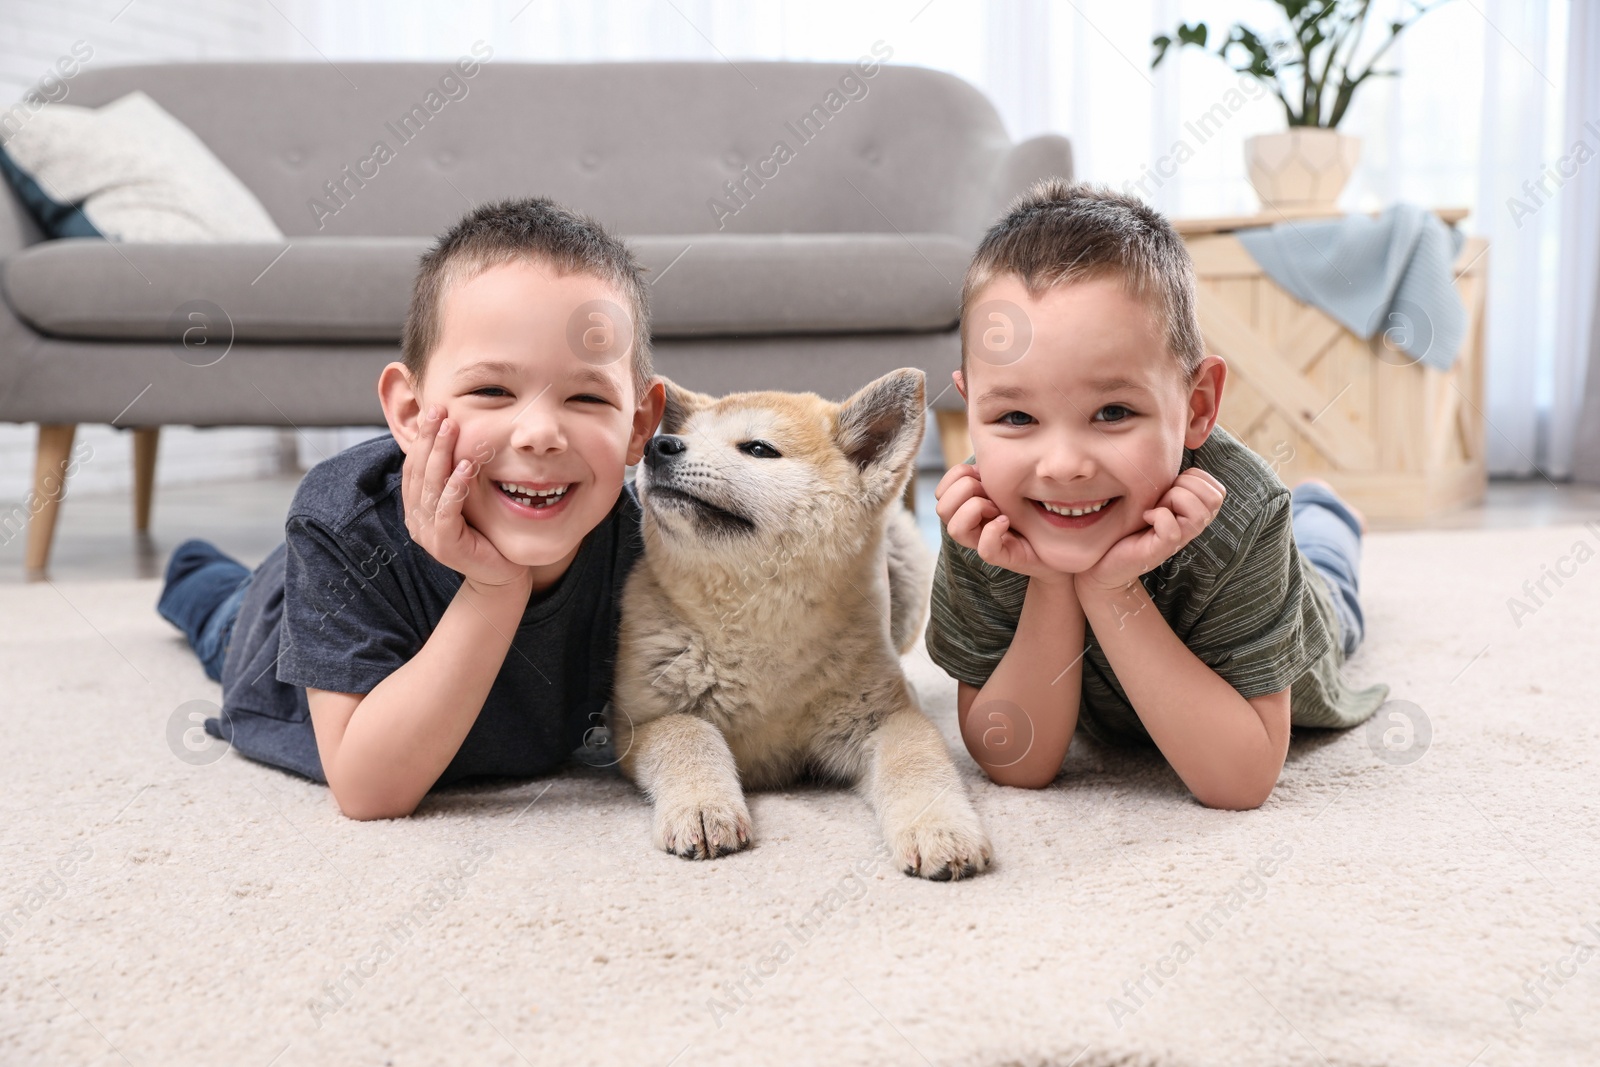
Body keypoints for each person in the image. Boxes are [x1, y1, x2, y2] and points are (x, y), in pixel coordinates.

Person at [157, 197, 665, 819]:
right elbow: (370, 793)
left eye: (587, 397)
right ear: (406, 411)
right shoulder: (342, 520)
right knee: (224, 612)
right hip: (279, 637)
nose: (539, 434)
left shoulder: (654, 537)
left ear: (639, 423)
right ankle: (193, 575)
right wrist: (494, 585)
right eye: (491, 390)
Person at [927, 179, 1388, 809]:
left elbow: (1240, 783)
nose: (1062, 466)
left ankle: (1328, 513)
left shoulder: (1247, 512)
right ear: (971, 408)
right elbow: (1016, 761)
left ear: (1197, 406)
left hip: (1306, 622)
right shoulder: (985, 518)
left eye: (1113, 412)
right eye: (1015, 419)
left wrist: (1112, 589)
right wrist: (1055, 582)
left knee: (1332, 583)